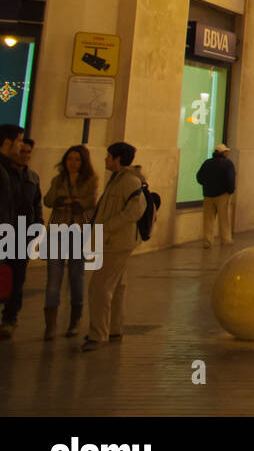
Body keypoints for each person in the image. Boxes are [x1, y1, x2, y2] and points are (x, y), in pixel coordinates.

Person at [82, 142, 148, 351]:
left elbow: (133, 212)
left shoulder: (129, 181)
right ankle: (113, 329)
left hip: (116, 243)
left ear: (118, 159)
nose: (106, 160)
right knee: (118, 287)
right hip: (114, 240)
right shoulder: (118, 179)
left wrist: (106, 228)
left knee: (99, 288)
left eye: (109, 156)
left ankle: (97, 334)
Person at [42, 145, 99, 340]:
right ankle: (50, 325)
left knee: (76, 277)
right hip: (57, 231)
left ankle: (75, 321)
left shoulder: (90, 181)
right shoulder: (58, 180)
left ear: (83, 162)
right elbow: (48, 200)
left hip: (79, 232)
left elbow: (90, 202)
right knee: (53, 279)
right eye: (69, 159)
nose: (72, 163)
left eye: (77, 159)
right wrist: (64, 199)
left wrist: (73, 201)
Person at [0, 126, 41, 339]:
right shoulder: (4, 170)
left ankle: (10, 317)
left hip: (20, 235)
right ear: (8, 143)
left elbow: (36, 204)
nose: (22, 147)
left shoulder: (31, 177)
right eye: (19, 142)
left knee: (16, 279)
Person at [195, 143, 236, 249]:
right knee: (224, 219)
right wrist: (230, 190)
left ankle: (207, 241)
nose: (227, 153)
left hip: (208, 195)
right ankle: (226, 239)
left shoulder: (207, 163)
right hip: (222, 195)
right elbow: (230, 179)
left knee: (208, 219)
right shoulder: (228, 164)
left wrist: (207, 186)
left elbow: (199, 177)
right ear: (223, 153)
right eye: (226, 151)